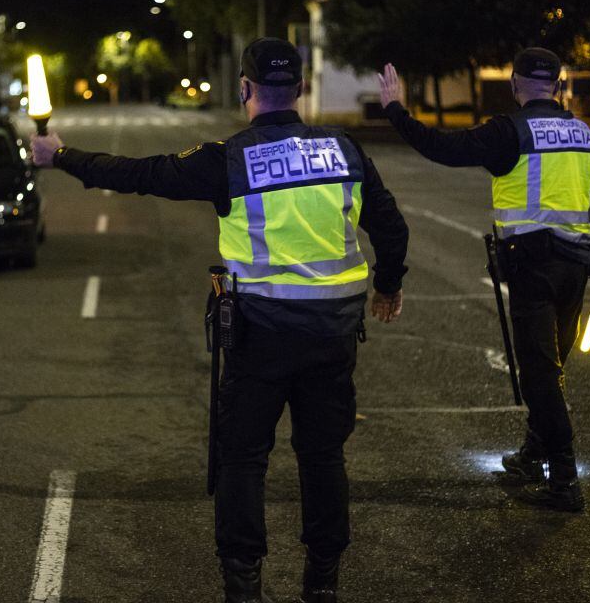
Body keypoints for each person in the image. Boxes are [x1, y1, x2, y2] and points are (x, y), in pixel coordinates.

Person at [32, 38, 409, 603]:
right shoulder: (345, 149)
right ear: (302, 90)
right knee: (324, 455)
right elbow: (391, 226)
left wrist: (60, 156)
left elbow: (142, 174)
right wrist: (389, 285)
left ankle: (243, 584)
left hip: (261, 338)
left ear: (244, 89)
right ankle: (322, 583)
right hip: (332, 333)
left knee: (243, 457)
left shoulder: (229, 159)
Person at [377, 48, 590, 512]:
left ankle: (565, 479)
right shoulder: (588, 136)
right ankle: (535, 453)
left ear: (514, 85)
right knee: (550, 365)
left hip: (530, 270)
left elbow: (441, 148)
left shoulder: (507, 132)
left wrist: (395, 110)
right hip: (575, 269)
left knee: (539, 373)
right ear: (559, 83)